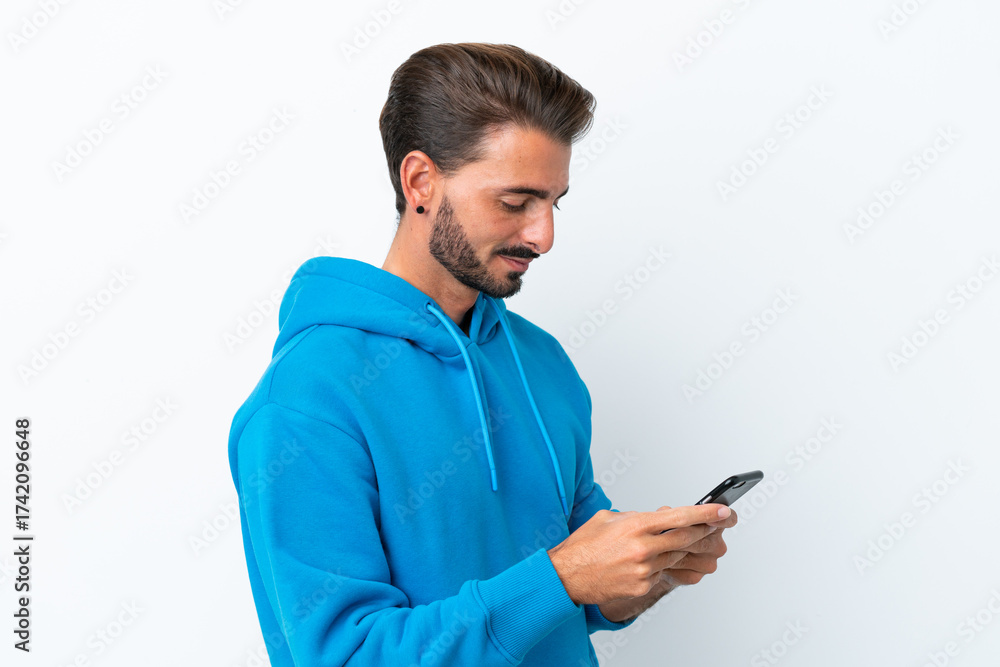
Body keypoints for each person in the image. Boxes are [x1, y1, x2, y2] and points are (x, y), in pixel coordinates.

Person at [227, 42, 737, 667]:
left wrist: (645, 570)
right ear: (420, 181)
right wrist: (563, 576)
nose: (544, 236)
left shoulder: (542, 362)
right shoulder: (306, 399)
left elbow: (579, 593)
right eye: (515, 203)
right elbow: (349, 656)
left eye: (553, 202)